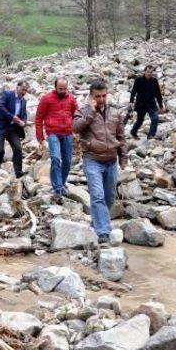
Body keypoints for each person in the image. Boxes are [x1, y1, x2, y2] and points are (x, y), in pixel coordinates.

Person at [73, 80, 128, 244]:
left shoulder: (115, 113)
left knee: (109, 197)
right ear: (91, 96)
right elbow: (75, 128)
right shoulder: (83, 111)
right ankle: (103, 231)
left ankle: (97, 220)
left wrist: (123, 157)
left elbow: (121, 137)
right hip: (92, 159)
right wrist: (90, 112)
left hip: (111, 160)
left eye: (104, 95)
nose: (101, 99)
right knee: (97, 195)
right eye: (97, 96)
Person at [35, 77, 78, 202]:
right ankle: (57, 189)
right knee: (55, 158)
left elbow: (77, 115)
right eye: (60, 89)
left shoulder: (71, 99)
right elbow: (38, 118)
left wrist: (78, 131)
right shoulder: (46, 98)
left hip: (68, 133)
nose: (63, 91)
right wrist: (40, 137)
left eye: (65, 88)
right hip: (52, 132)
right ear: (55, 87)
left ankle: (62, 182)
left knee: (68, 161)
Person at [0, 80, 30, 180]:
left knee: (18, 148)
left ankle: (18, 172)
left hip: (12, 128)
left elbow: (23, 115)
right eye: (22, 89)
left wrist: (23, 122)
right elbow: (0, 106)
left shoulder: (23, 101)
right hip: (0, 126)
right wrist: (12, 117)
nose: (24, 92)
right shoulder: (7, 94)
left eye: (26, 90)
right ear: (17, 87)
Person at [129, 65, 165, 139]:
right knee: (140, 120)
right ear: (144, 72)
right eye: (148, 72)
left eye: (151, 72)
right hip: (141, 103)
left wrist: (161, 106)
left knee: (155, 118)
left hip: (151, 104)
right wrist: (131, 101)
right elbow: (133, 91)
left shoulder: (154, 81)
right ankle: (133, 132)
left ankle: (151, 135)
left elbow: (158, 94)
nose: (149, 74)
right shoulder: (138, 80)